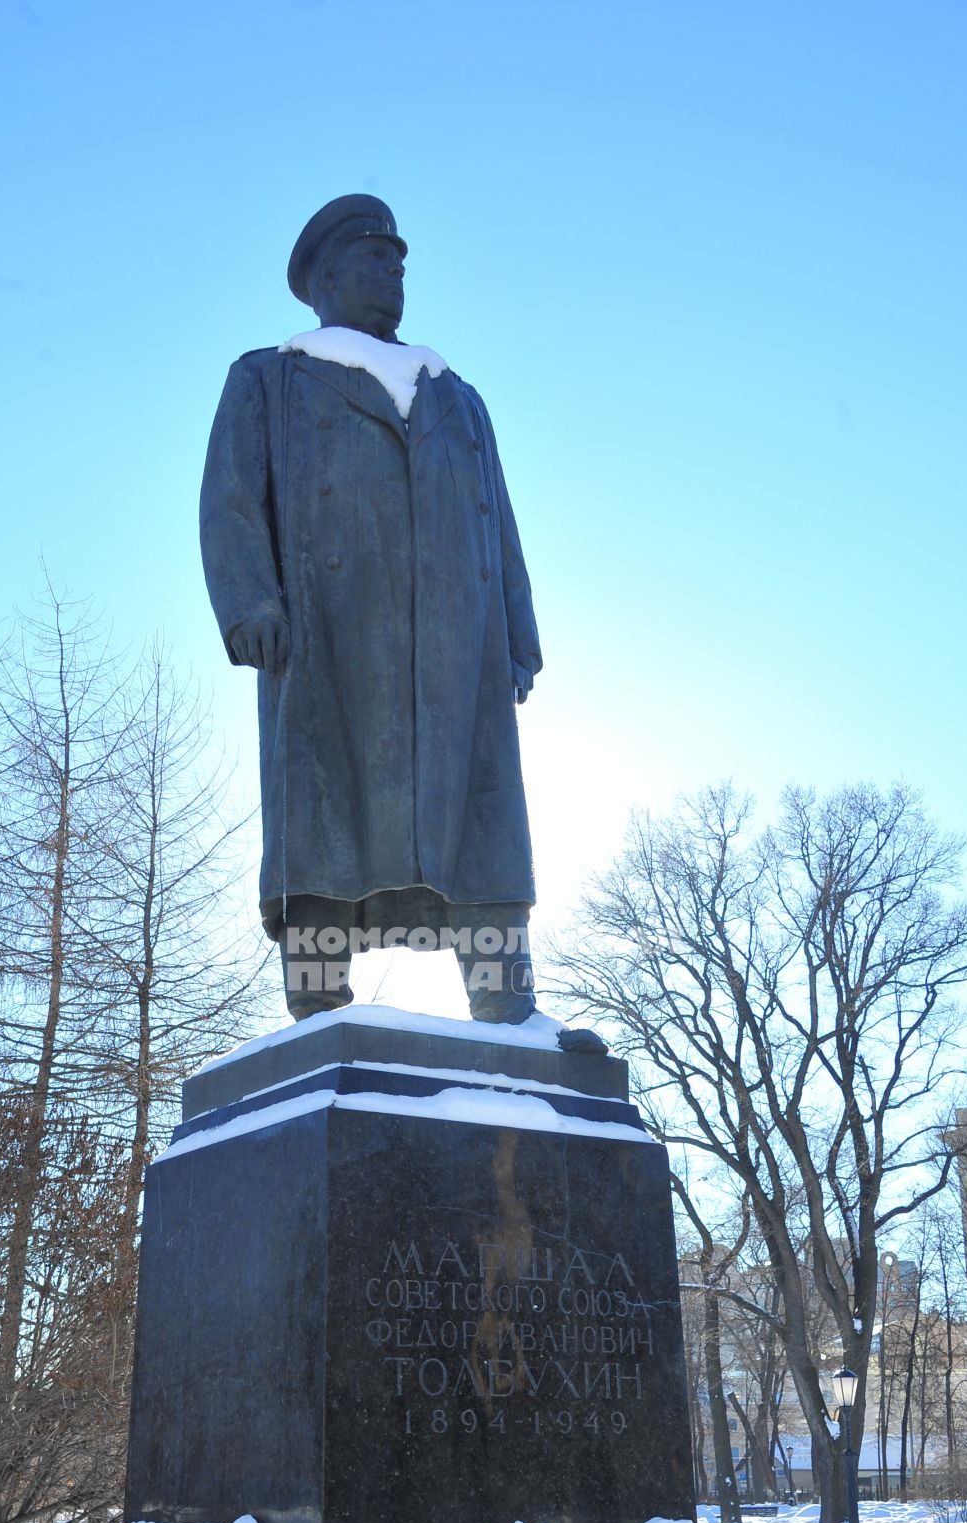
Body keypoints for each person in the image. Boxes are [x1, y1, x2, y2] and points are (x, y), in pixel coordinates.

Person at [199, 194, 600, 1051]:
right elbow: (231, 502)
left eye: (400, 261)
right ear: (327, 275)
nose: (393, 274)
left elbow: (499, 519)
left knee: (482, 830)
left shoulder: (457, 397)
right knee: (322, 827)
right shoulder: (269, 378)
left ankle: (507, 1007)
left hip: (459, 654)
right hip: (328, 638)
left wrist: (517, 634)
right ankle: (317, 1014)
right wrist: (251, 606)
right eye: (376, 258)